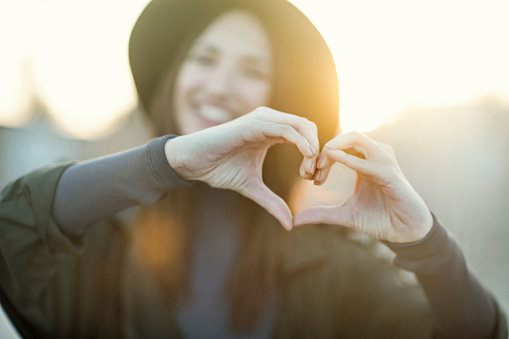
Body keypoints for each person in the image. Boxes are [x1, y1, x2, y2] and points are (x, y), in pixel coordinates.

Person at [0, 0, 506, 337]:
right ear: (172, 78)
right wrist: (167, 160)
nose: (219, 85)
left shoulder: (334, 268)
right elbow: (9, 235)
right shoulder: (103, 241)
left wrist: (428, 245)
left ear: (278, 99)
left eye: (251, 70)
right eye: (204, 58)